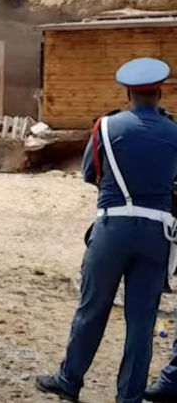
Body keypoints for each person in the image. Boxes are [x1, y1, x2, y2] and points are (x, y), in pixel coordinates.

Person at [36, 58, 177, 403]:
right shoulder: (175, 132)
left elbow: (89, 172)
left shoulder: (106, 127)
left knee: (92, 308)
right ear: (160, 93)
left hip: (113, 226)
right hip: (158, 233)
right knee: (142, 322)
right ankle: (128, 398)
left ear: (128, 93)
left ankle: (69, 380)